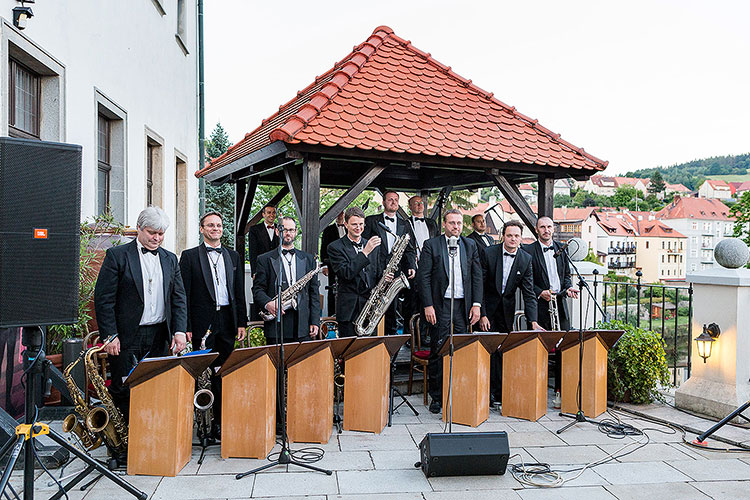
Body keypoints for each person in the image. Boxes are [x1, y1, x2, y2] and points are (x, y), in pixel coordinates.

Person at [94, 206, 187, 422]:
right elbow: (104, 299)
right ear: (138, 228)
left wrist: (180, 331)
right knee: (123, 387)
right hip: (126, 336)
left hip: (158, 335)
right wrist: (110, 335)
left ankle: (151, 439)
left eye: (161, 234)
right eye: (151, 232)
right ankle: (123, 446)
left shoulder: (170, 259)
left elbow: (178, 298)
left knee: (156, 386)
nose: (156, 238)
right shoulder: (117, 256)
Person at [179, 211, 247, 439]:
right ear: (202, 229)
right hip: (201, 323)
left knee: (224, 372)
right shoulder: (189, 257)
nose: (215, 228)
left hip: (227, 320)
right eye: (210, 225)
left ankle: (221, 423)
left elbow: (239, 291)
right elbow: (184, 294)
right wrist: (186, 326)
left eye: (218, 225)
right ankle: (203, 427)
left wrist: (242, 322)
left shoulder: (233, 256)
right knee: (201, 375)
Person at [416, 209, 483, 414]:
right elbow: (423, 277)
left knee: (462, 349)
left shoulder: (470, 245)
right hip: (440, 305)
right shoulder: (432, 245)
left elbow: (477, 276)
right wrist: (428, 305)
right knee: (438, 349)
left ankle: (459, 392)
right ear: (444, 224)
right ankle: (437, 397)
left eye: (459, 223)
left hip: (463, 305)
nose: (456, 227)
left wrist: (477, 304)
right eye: (452, 223)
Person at [478, 220, 541, 404]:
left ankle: (498, 394)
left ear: (521, 238)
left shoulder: (525, 259)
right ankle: (482, 391)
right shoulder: (489, 253)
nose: (513, 239)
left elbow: (529, 293)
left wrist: (533, 321)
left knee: (500, 351)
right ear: (502, 236)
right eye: (509, 235)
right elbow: (479, 285)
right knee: (484, 349)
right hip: (486, 308)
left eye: (516, 236)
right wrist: (482, 313)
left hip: (506, 310)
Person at [522, 216, 579, 391]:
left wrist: (568, 288)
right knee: (539, 347)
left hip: (560, 304)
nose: (546, 230)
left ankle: (560, 391)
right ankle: (536, 390)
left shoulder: (561, 249)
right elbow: (527, 280)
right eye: (542, 227)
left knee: (564, 345)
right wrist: (540, 292)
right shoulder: (528, 250)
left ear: (553, 229)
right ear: (536, 229)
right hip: (539, 305)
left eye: (549, 227)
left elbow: (566, 276)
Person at [253, 217, 321, 343]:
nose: (288, 233)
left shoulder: (309, 259)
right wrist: (268, 304)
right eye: (284, 230)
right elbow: (257, 289)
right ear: (278, 232)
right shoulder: (264, 259)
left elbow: (314, 293)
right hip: (276, 325)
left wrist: (315, 321)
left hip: (303, 326)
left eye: (291, 230)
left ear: (295, 232)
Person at [327, 207, 387, 338]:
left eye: (361, 224)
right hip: (349, 310)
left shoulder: (372, 246)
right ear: (346, 224)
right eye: (354, 224)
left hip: (369, 310)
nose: (358, 227)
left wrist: (385, 277)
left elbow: (375, 273)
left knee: (369, 351)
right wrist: (365, 252)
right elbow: (346, 273)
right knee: (349, 353)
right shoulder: (335, 247)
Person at [363, 190, 416, 335]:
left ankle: (391, 341)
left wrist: (411, 265)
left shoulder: (405, 224)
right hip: (375, 270)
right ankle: (371, 335)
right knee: (373, 305)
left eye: (396, 200)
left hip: (394, 271)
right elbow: (364, 245)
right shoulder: (371, 220)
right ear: (383, 202)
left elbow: (409, 248)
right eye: (390, 199)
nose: (393, 202)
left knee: (392, 307)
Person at [403, 195, 439, 327]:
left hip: (430, 267)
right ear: (410, 207)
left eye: (421, 203)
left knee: (428, 302)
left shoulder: (431, 223)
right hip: (413, 267)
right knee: (412, 302)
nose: (419, 205)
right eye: (416, 203)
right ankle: (410, 335)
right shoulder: (405, 223)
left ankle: (425, 334)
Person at [248, 205, 280, 320]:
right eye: (269, 212)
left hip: (276, 267)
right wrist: (254, 271)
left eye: (273, 213)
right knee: (260, 290)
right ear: (263, 214)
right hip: (261, 267)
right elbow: (252, 252)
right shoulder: (255, 229)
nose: (271, 215)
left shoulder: (279, 228)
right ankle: (260, 318)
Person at [320, 211, 346, 316]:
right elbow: (323, 248)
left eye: (342, 214)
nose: (340, 216)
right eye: (338, 213)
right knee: (332, 290)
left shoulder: (349, 228)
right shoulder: (328, 229)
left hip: (347, 265)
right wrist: (325, 265)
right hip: (332, 265)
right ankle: (331, 316)